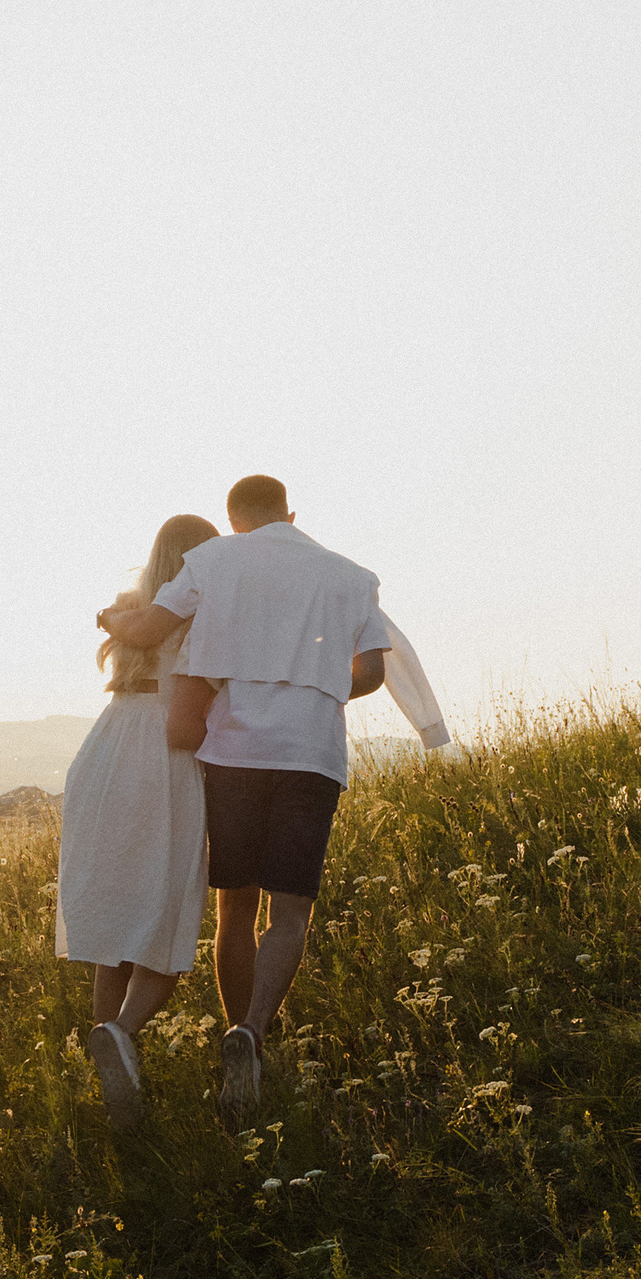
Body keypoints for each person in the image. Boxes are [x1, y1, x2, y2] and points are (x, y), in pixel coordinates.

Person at [96, 472, 447, 1119]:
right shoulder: (349, 575)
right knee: (290, 915)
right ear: (291, 512)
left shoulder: (216, 561)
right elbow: (370, 671)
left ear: (233, 521)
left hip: (234, 757)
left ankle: (212, 1031)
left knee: (235, 909)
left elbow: (148, 632)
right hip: (309, 758)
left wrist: (108, 617)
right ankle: (249, 1035)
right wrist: (316, 686)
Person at [58, 509, 220, 1133]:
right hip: (167, 753)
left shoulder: (131, 607)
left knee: (116, 916)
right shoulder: (205, 610)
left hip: (107, 748)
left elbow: (125, 629)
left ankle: (110, 1053)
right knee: (167, 906)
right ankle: (122, 1034)